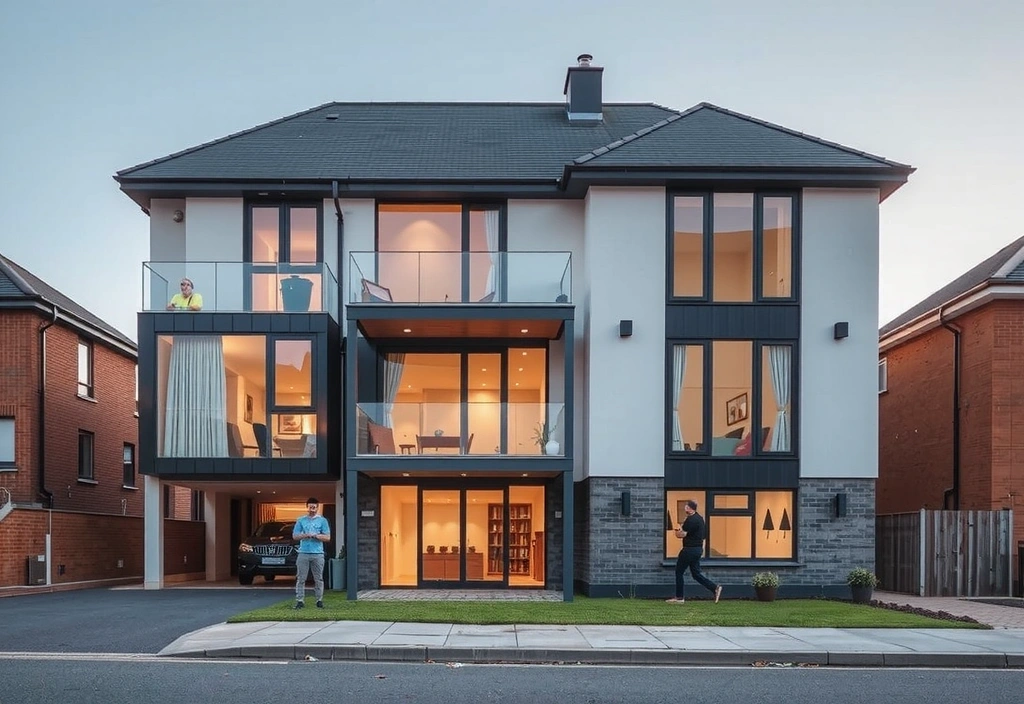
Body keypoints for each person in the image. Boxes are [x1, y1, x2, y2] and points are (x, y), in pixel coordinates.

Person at [667, 499, 722, 604]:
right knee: (696, 574)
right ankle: (715, 588)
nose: (685, 508)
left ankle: (679, 598)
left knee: (679, 572)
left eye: (686, 506)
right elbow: (704, 537)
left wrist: (677, 531)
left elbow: (682, 535)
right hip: (698, 549)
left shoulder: (691, 520)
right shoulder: (700, 519)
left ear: (689, 508)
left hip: (688, 550)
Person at [292, 497, 331, 609]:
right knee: (301, 578)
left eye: (314, 507)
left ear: (317, 508)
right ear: (307, 507)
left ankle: (319, 600)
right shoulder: (301, 520)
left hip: (318, 553)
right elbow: (295, 536)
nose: (312, 509)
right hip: (303, 552)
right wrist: (305, 535)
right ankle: (300, 600)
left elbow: (327, 537)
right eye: (310, 507)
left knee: (318, 578)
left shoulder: (322, 521)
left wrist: (316, 536)